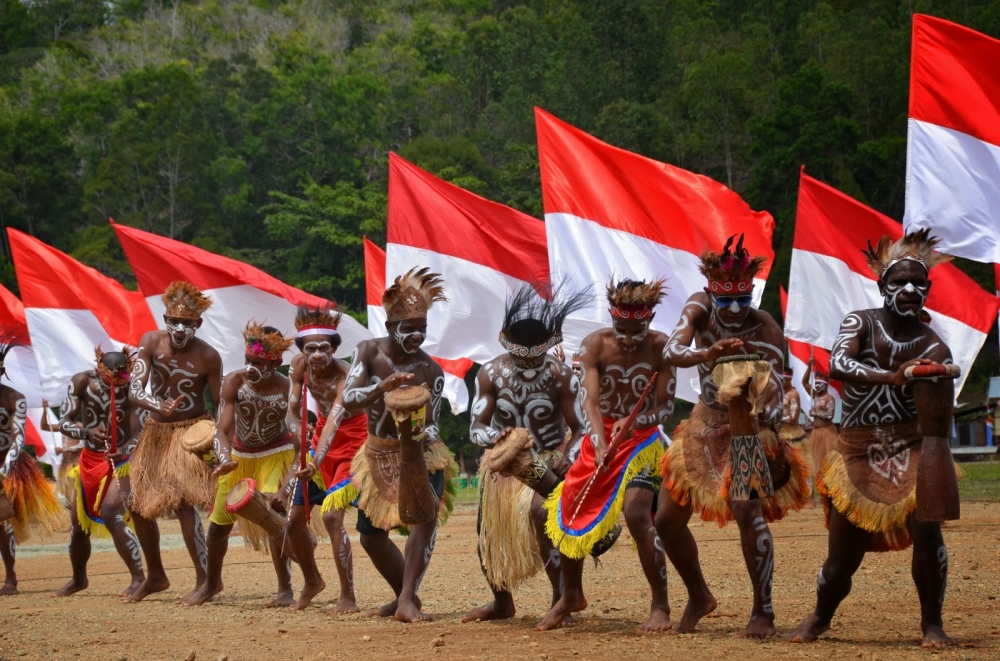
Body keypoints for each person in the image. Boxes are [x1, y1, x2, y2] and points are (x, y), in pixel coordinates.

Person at [788, 230, 957, 648]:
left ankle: (931, 624)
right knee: (841, 559)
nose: (909, 289)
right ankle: (821, 615)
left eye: (918, 283)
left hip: (911, 449)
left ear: (928, 291)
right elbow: (839, 363)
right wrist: (892, 376)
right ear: (883, 286)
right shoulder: (859, 321)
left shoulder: (934, 347)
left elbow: (939, 412)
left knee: (927, 527)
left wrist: (935, 379)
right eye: (898, 282)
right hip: (858, 450)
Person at [657, 235, 810, 638]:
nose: (738, 309)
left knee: (747, 512)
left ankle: (764, 612)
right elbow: (671, 351)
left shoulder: (765, 327)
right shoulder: (699, 307)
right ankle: (700, 595)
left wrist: (768, 419)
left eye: (745, 298)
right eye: (728, 300)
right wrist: (705, 355)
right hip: (704, 424)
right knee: (666, 521)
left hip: (749, 430)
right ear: (712, 292)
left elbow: (778, 386)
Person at [537, 278, 675, 632]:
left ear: (650, 320)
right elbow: (590, 403)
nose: (629, 339)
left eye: (637, 330)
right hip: (601, 437)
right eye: (622, 329)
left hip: (642, 442)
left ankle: (660, 605)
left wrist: (635, 424)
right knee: (568, 503)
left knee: (636, 512)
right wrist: (599, 444)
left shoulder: (662, 347)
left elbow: (665, 407)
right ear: (612, 318)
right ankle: (572, 595)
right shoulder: (594, 344)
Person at [462, 284, 588, 623]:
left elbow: (581, 428)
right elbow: (476, 427)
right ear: (505, 342)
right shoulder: (490, 373)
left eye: (536, 356)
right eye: (521, 356)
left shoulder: (561, 375)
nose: (528, 363)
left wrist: (569, 456)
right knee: (486, 535)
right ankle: (502, 602)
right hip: (505, 460)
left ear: (549, 348)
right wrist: (495, 436)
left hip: (548, 455)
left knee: (543, 515)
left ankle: (562, 598)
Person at [341, 267, 456, 623]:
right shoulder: (367, 352)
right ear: (391, 327)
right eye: (410, 329)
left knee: (424, 520)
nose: (417, 336)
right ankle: (405, 596)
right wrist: (382, 387)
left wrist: (422, 435)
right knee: (370, 536)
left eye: (422, 329)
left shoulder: (430, 371)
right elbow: (348, 399)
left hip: (421, 456)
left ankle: (406, 601)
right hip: (377, 451)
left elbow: (434, 423)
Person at [182, 322, 324, 608]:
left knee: (271, 515)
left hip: (276, 455)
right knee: (218, 526)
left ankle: (285, 588)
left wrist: (285, 491)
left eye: (259, 363)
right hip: (238, 459)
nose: (251, 369)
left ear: (276, 364)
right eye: (249, 361)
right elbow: (222, 431)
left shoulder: (287, 389)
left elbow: (300, 450)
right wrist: (224, 459)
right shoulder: (234, 381)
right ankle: (212, 583)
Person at [127, 281, 223, 603]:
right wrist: (157, 405)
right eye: (174, 321)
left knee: (183, 503)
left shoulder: (209, 356)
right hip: (155, 432)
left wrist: (219, 441)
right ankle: (155, 576)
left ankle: (206, 580)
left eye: (188, 323)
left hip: (190, 432)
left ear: (198, 324)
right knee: (138, 506)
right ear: (165, 319)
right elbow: (134, 389)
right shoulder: (151, 341)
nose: (180, 329)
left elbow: (222, 403)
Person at [285, 305, 368, 613]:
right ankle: (312, 580)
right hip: (319, 438)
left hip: (353, 442)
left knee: (332, 517)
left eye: (324, 348)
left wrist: (314, 462)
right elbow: (291, 414)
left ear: (335, 348)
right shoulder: (298, 366)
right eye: (311, 349)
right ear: (302, 351)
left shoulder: (346, 375)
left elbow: (335, 418)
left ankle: (348, 596)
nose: (318, 354)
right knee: (293, 522)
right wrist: (299, 440)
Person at [55, 348, 145, 597]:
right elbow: (64, 421)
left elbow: (142, 429)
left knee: (112, 512)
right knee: (78, 525)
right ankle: (78, 579)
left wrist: (126, 448)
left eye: (120, 379)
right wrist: (86, 432)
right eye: (109, 380)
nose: (115, 384)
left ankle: (138, 579)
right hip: (90, 459)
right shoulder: (82, 381)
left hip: (123, 460)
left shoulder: (132, 387)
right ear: (98, 371)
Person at [0, 328, 67, 596]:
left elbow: (18, 438)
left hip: (8, 467)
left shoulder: (15, 398)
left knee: (3, 522)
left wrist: (4, 467)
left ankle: (10, 578)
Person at [802, 360, 837, 479]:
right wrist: (809, 366)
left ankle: (830, 487)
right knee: (815, 463)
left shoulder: (829, 399)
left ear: (825, 385)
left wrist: (815, 412)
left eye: (819, 384)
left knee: (828, 463)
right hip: (816, 433)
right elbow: (804, 382)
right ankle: (817, 489)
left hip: (827, 433)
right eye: (815, 384)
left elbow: (829, 415)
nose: (816, 386)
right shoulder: (815, 396)